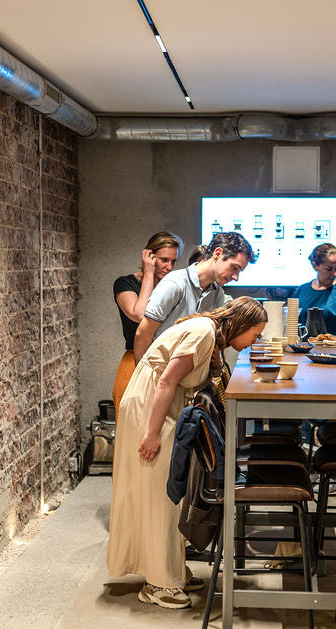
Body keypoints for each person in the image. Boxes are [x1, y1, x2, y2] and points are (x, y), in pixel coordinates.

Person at [107, 297, 268, 609]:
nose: (255, 341)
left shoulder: (210, 335)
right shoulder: (203, 332)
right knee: (159, 496)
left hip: (162, 404)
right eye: (256, 334)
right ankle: (158, 584)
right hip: (150, 406)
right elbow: (167, 381)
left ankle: (171, 570)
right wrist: (152, 433)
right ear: (242, 324)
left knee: (167, 495)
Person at [133, 231, 256, 363]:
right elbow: (143, 335)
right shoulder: (175, 284)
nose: (236, 277)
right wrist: (142, 374)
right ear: (217, 254)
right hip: (161, 369)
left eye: (239, 271)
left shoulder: (217, 293)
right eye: (234, 268)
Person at [112, 232, 183, 422]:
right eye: (164, 260)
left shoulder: (171, 287)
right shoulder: (125, 283)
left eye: (173, 261)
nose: (169, 267)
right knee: (129, 425)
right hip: (133, 360)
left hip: (164, 362)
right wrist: (149, 274)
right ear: (149, 257)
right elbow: (139, 314)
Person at [292, 242, 336, 336]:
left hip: (332, 345)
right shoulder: (301, 291)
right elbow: (292, 328)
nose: (334, 274)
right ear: (315, 266)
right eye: (329, 269)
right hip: (303, 345)